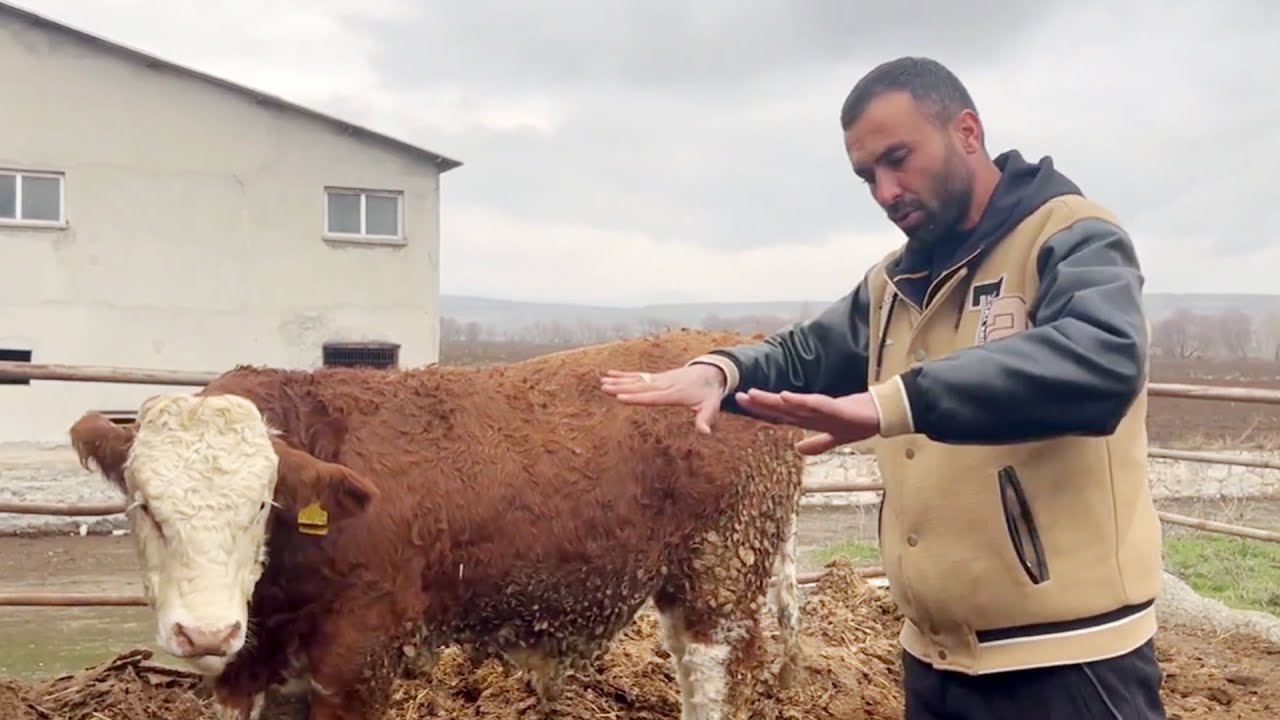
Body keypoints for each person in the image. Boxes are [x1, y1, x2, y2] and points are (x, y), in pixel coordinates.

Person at [600, 56, 1168, 719]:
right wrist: (721, 370)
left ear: (966, 132)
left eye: (899, 159)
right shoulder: (896, 281)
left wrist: (888, 403)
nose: (885, 190)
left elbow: (1103, 357)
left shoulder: (1069, 236)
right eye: (868, 175)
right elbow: (810, 349)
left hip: (1067, 666)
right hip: (933, 659)